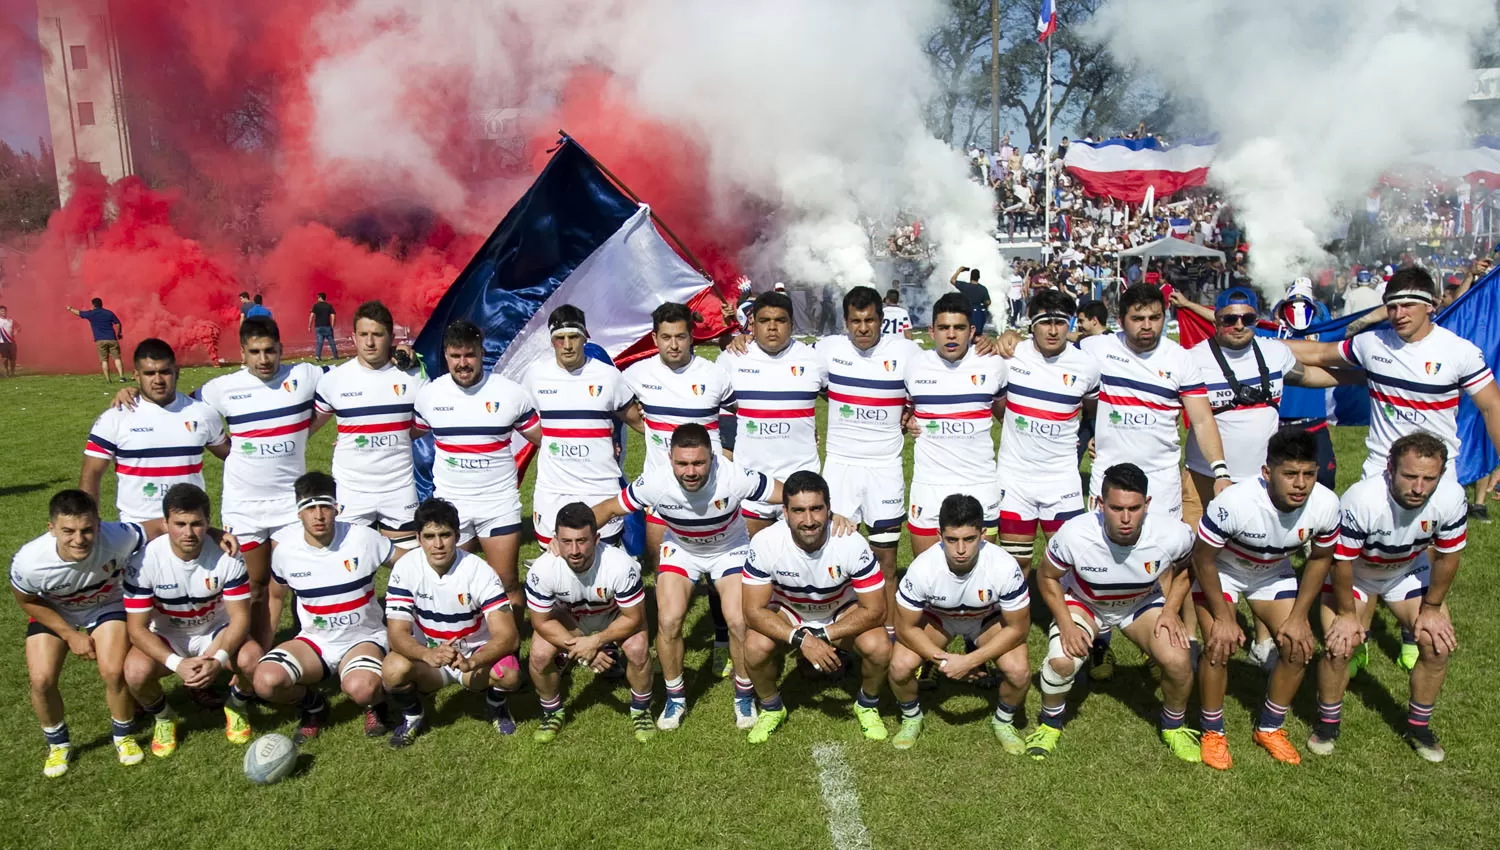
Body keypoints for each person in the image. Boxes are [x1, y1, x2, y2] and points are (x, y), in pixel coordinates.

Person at [591, 424, 786, 731]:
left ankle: (743, 693)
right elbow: (608, 508)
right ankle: (675, 696)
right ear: (670, 459)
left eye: (699, 463)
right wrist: (564, 537)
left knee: (738, 619)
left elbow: (790, 492)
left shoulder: (734, 476)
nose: (691, 471)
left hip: (729, 549)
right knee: (668, 620)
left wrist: (830, 513)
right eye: (682, 463)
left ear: (713, 457)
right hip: (681, 549)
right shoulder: (655, 482)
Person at [1027, 463, 1200, 763]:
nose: (1125, 518)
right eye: (1116, 508)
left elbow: (1188, 569)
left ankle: (1174, 726)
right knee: (1061, 662)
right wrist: (1067, 625)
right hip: (1085, 603)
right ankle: (1049, 723)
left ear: (1147, 504)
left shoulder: (1172, 533)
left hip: (1139, 604)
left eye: (1134, 508)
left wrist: (1171, 609)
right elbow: (1046, 577)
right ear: (1098, 504)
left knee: (1178, 660)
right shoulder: (1075, 534)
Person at [1190, 429, 1342, 769]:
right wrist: (1225, 617)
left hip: (1272, 573)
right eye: (1290, 474)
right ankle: (1212, 731)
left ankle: (1270, 727)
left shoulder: (1326, 504)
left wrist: (1301, 616)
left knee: (1298, 646)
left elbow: (1319, 559)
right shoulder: (1234, 503)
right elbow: (1202, 559)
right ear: (1267, 473)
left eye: (1308, 474)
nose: (1300, 484)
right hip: (1223, 570)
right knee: (1218, 644)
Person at [1316, 433, 1466, 764]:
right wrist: (1345, 614)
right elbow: (1340, 561)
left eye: (1429, 479)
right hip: (1356, 573)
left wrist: (1433, 609)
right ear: (1389, 469)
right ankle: (1327, 723)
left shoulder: (1452, 497)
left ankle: (1419, 726)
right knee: (1340, 646)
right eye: (1410, 476)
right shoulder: (1362, 499)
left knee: (1436, 644)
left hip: (1406, 572)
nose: (1418, 488)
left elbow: (1448, 557)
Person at [1287, 268, 1500, 484]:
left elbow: (1492, 406)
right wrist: (1261, 343)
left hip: (1437, 477)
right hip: (1380, 475)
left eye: (1408, 305)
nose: (1399, 315)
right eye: (1392, 307)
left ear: (1430, 306)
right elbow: (1319, 353)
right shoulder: (1372, 343)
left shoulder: (1461, 351)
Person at [622, 303, 737, 675]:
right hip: (662, 497)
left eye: (681, 337)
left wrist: (728, 463)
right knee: (664, 572)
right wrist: (646, 431)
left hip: (711, 492)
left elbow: (731, 417)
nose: (674, 345)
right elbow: (619, 406)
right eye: (666, 338)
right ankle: (666, 644)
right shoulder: (637, 374)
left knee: (721, 577)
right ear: (654, 338)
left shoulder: (715, 374)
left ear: (692, 337)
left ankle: (722, 641)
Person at [740, 471, 891, 744]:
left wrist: (822, 636)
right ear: (784, 512)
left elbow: (876, 610)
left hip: (840, 610)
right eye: (798, 510)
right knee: (753, 646)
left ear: (829, 508)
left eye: (816, 509)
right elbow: (753, 611)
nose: (808, 521)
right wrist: (801, 639)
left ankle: (867, 704)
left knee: (879, 646)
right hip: (790, 611)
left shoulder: (851, 543)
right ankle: (772, 708)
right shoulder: (765, 542)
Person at [253, 472, 401, 743]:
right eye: (310, 508)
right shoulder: (286, 552)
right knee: (265, 681)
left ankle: (375, 704)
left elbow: (408, 564)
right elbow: (275, 599)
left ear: (336, 507)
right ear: (299, 513)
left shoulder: (364, 538)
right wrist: (265, 645)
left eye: (325, 507)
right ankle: (313, 705)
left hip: (363, 637)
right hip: (316, 642)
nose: (318, 515)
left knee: (361, 688)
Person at [412, 319, 540, 631]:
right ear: (446, 356)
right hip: (451, 504)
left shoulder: (510, 393)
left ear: (482, 353)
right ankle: (469, 641)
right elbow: (406, 434)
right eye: (455, 356)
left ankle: (509, 649)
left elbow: (545, 440)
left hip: (498, 504)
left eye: (469, 355)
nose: (462, 363)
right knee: (456, 580)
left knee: (506, 582)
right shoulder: (431, 394)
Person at [11, 490, 149, 776]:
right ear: (51, 529)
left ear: (98, 524)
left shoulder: (117, 536)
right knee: (41, 680)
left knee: (113, 671)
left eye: (87, 530)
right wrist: (69, 634)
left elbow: (159, 526)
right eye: (68, 531)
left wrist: (211, 533)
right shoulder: (29, 562)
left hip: (106, 605)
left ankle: (123, 736)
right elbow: (26, 600)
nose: (79, 539)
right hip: (56, 610)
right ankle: (58, 744)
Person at [122, 484, 260, 757]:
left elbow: (241, 618)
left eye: (196, 524)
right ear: (165, 523)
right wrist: (177, 664)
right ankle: (164, 717)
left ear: (208, 523)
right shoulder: (144, 561)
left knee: (253, 658)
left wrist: (216, 660)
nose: (188, 532)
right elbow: (136, 630)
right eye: (180, 524)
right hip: (169, 635)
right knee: (134, 673)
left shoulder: (228, 556)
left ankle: (236, 706)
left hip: (214, 631)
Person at [1181, 287, 1340, 523]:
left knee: (1255, 554)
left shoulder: (1274, 352)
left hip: (1261, 479)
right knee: (1195, 553)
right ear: (1216, 320)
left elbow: (1307, 375)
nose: (1239, 325)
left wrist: (1365, 377)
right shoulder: (1192, 360)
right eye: (1229, 319)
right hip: (1205, 478)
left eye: (1247, 319)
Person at [818, 286, 920, 630]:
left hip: (884, 470)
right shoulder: (828, 351)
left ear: (882, 319)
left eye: (870, 320)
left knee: (886, 562)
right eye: (855, 321)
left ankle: (889, 636)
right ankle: (843, 633)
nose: (863, 328)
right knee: (836, 559)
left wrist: (913, 412)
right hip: (839, 467)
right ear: (846, 322)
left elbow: (940, 378)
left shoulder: (907, 353)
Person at [382, 498, 522, 747]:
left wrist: (473, 661)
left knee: (509, 673)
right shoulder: (405, 568)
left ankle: (495, 704)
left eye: (445, 535)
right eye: (429, 536)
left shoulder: (479, 571)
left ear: (457, 536)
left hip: (472, 657)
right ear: (418, 537)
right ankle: (413, 714)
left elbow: (508, 635)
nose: (437, 544)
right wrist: (427, 654)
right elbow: (397, 634)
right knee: (392, 669)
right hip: (431, 661)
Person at [525, 502, 653, 743]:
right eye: (566, 541)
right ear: (556, 539)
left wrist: (596, 641)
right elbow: (541, 622)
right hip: (569, 621)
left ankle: (641, 708)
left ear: (596, 538)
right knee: (540, 655)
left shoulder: (621, 565)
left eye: (582, 541)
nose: (574, 550)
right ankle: (552, 711)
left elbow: (634, 618)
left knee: (637, 649)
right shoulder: (543, 569)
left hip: (614, 618)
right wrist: (584, 649)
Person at [995, 290, 1100, 576]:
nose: (1053, 331)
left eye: (1061, 322)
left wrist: (1091, 436)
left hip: (1061, 479)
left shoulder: (1087, 366)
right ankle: (1015, 619)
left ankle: (1066, 620)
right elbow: (996, 403)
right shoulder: (1010, 355)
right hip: (1015, 478)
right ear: (1031, 323)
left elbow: (1092, 410)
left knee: (1068, 564)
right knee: (1016, 564)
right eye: (1045, 322)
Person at [80, 338, 229, 537]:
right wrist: (87, 522)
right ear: (136, 375)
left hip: (189, 528)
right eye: (149, 373)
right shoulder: (115, 417)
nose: (158, 380)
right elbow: (91, 474)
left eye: (165, 372)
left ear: (176, 371)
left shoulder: (201, 413)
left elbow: (233, 456)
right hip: (136, 530)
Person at [523, 305, 643, 547]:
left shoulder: (608, 376)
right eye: (560, 338)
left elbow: (639, 422)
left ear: (585, 337)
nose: (567, 345)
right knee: (556, 560)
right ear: (551, 341)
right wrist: (555, 444)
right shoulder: (536, 377)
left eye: (574, 337)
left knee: (602, 563)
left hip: (600, 489)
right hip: (552, 491)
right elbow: (523, 422)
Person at [311, 300, 427, 545]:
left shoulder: (414, 377)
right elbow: (308, 428)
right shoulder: (335, 380)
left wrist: (392, 435)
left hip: (399, 489)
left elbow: (426, 423)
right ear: (353, 337)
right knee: (349, 567)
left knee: (407, 568)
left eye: (377, 334)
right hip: (351, 491)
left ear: (391, 337)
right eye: (363, 334)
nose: (370, 342)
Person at [718, 291, 826, 538]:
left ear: (792, 323)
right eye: (765, 320)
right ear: (753, 323)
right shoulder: (732, 359)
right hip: (752, 483)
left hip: (801, 481)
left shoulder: (814, 360)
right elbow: (715, 410)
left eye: (780, 320)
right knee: (752, 564)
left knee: (803, 565)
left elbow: (840, 399)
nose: (772, 327)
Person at [905, 293, 1006, 555]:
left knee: (983, 576)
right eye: (944, 328)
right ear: (931, 332)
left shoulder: (993, 363)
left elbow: (1007, 416)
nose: (951, 335)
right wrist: (909, 421)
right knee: (927, 573)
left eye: (959, 328)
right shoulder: (913, 365)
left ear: (972, 331)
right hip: (929, 485)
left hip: (980, 484)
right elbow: (899, 412)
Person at [66, 297, 126, 383]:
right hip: (112, 339)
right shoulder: (109, 313)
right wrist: (119, 333)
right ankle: (122, 377)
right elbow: (118, 323)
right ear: (101, 304)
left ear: (93, 305)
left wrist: (70, 309)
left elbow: (79, 313)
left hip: (100, 340)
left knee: (104, 360)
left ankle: (108, 380)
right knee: (117, 358)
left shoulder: (92, 314)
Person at [949, 266, 992, 334]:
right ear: (979, 277)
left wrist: (959, 271)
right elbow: (988, 302)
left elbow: (952, 280)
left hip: (966, 311)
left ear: (970, 277)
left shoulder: (965, 286)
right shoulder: (983, 289)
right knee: (977, 333)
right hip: (978, 313)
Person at [308, 293, 338, 362]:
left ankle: (318, 356)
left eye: (318, 297)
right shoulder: (328, 306)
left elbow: (311, 316)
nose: (317, 299)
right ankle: (335, 356)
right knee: (331, 342)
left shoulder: (315, 306)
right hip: (327, 326)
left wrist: (309, 326)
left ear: (320, 298)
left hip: (318, 327)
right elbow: (333, 315)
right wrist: (332, 325)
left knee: (319, 342)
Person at [0, 304, 16, 376]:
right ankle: (6, 371)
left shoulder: (11, 320)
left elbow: (19, 327)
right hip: (2, 343)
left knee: (13, 359)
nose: (3, 312)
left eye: (4, 311)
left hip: (12, 343)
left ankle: (12, 372)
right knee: (5, 358)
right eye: (1, 311)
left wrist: (16, 331)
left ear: (6, 311)